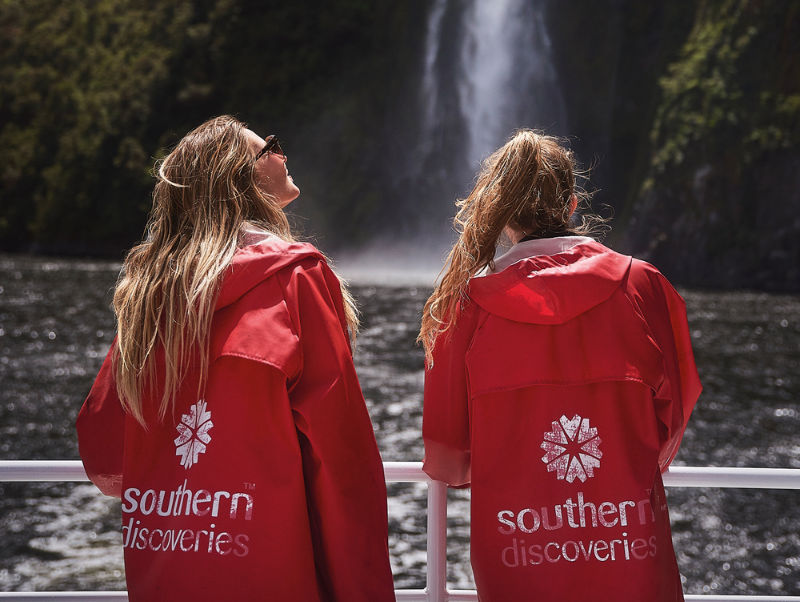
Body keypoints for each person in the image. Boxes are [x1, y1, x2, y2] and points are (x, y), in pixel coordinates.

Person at [77, 115, 395, 602]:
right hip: (270, 571)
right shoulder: (295, 278)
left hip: (165, 569)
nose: (282, 153)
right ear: (238, 178)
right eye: (269, 146)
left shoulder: (149, 295)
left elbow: (102, 449)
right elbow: (341, 456)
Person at [420, 129, 701, 602]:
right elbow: (674, 411)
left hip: (517, 548)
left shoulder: (465, 307)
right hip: (628, 541)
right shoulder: (643, 286)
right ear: (571, 203)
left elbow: (448, 447)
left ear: (502, 213)